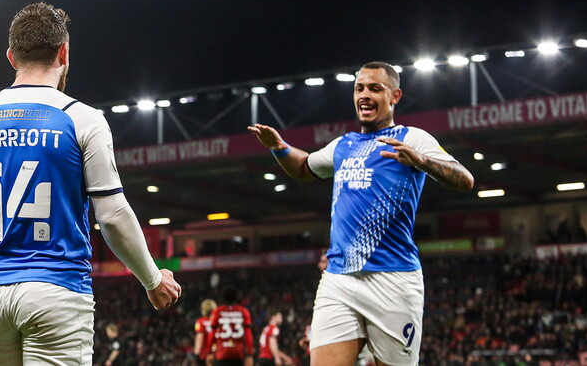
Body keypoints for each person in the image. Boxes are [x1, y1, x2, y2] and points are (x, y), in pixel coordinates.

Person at [0, 2, 182, 365]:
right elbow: (112, 215)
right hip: (56, 289)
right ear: (64, 52)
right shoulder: (82, 119)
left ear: (11, 57)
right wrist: (152, 279)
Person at [249, 61, 474, 366]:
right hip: (339, 279)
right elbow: (304, 167)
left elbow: (465, 179)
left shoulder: (412, 138)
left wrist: (421, 161)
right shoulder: (344, 145)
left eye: (375, 88)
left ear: (395, 96)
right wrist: (279, 147)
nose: (364, 95)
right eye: (359, 88)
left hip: (393, 280)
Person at [204, 288, 254, 366]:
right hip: (238, 353)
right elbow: (248, 335)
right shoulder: (244, 312)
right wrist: (250, 354)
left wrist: (209, 352)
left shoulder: (217, 312)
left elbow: (212, 334)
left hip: (222, 353)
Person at [194, 299, 217, 365]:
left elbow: (199, 338)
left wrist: (196, 353)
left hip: (204, 354)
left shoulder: (200, 322)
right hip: (217, 354)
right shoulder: (218, 321)